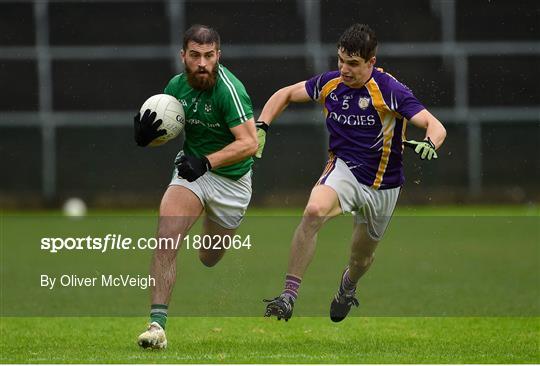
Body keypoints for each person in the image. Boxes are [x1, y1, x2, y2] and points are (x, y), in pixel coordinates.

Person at [257, 23, 446, 322]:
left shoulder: (390, 91)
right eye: (341, 61)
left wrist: (430, 144)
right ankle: (288, 295)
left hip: (384, 185)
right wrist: (262, 125)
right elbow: (285, 94)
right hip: (344, 170)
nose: (344, 69)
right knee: (313, 210)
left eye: (353, 64)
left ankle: (348, 287)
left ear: (372, 62)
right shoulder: (331, 84)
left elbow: (435, 125)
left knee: (361, 259)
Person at [134, 24, 258, 348]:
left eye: (208, 56)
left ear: (218, 55)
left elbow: (249, 143)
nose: (202, 63)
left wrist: (207, 162)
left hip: (231, 182)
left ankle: (210, 217)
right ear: (183, 56)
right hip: (192, 173)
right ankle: (156, 326)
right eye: (194, 55)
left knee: (208, 257)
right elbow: (169, 129)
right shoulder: (175, 87)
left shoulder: (229, 90)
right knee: (166, 236)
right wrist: (146, 138)